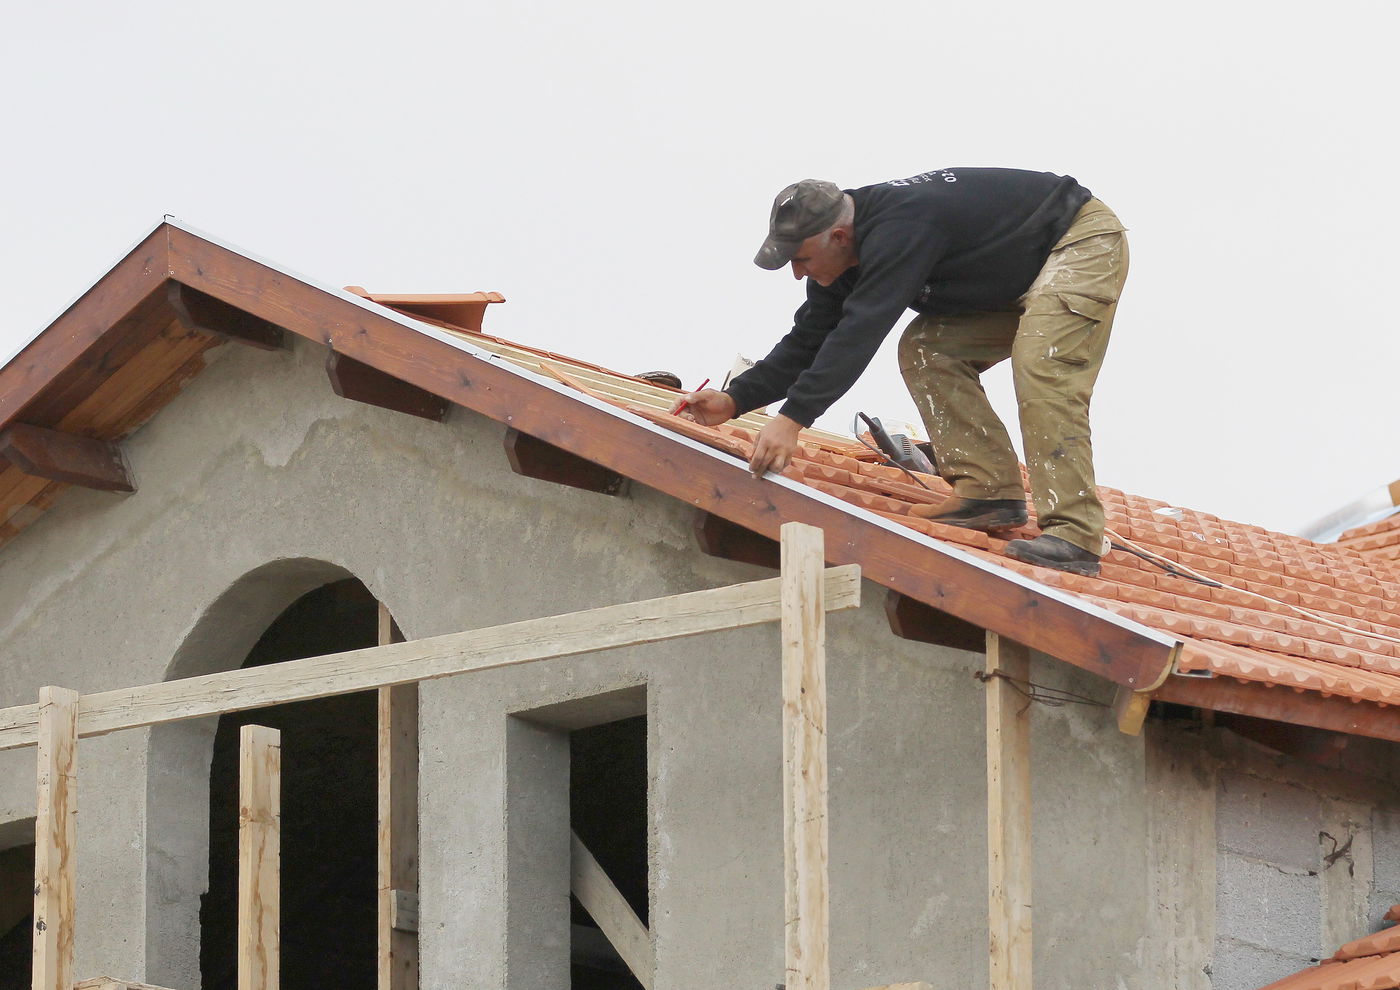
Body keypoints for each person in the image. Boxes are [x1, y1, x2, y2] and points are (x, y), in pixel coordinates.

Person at [672, 168, 1128, 576]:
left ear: (837, 237)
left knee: (1042, 362)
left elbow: (860, 331)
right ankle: (988, 492)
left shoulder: (902, 228)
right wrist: (736, 400)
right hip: (1013, 271)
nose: (797, 273)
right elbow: (810, 339)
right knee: (928, 347)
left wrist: (793, 419)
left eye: (802, 259)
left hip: (1075, 241)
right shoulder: (844, 257)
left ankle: (1074, 533)